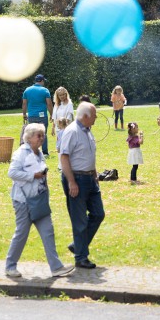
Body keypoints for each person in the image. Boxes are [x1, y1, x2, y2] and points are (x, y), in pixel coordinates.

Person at [5, 122, 74, 278]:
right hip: (23, 201)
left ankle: (56, 267)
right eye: (39, 135)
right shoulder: (21, 153)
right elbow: (12, 173)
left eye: (43, 135)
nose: (42, 138)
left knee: (48, 231)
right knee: (22, 232)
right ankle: (10, 266)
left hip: (39, 199)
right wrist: (33, 176)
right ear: (29, 138)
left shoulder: (38, 152)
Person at [59, 102, 105, 269]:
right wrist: (71, 182)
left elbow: (88, 154)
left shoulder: (87, 131)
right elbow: (64, 158)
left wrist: (94, 173)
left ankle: (78, 245)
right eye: (94, 115)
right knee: (80, 221)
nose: (96, 118)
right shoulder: (72, 132)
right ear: (85, 116)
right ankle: (81, 257)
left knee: (98, 214)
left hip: (89, 178)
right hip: (76, 178)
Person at [22, 74, 53, 156]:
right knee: (43, 133)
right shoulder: (45, 90)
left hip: (31, 116)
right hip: (42, 116)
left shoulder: (27, 90)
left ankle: (32, 151)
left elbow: (24, 103)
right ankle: (45, 152)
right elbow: (49, 104)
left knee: (32, 134)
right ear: (42, 81)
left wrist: (24, 114)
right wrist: (51, 114)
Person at [51, 87, 74, 152]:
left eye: (63, 94)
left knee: (66, 145)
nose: (62, 96)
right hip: (58, 128)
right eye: (60, 95)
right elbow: (54, 116)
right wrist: (53, 127)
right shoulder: (56, 104)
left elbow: (69, 117)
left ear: (66, 94)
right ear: (57, 96)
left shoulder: (69, 104)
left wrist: (64, 127)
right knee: (59, 145)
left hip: (66, 128)